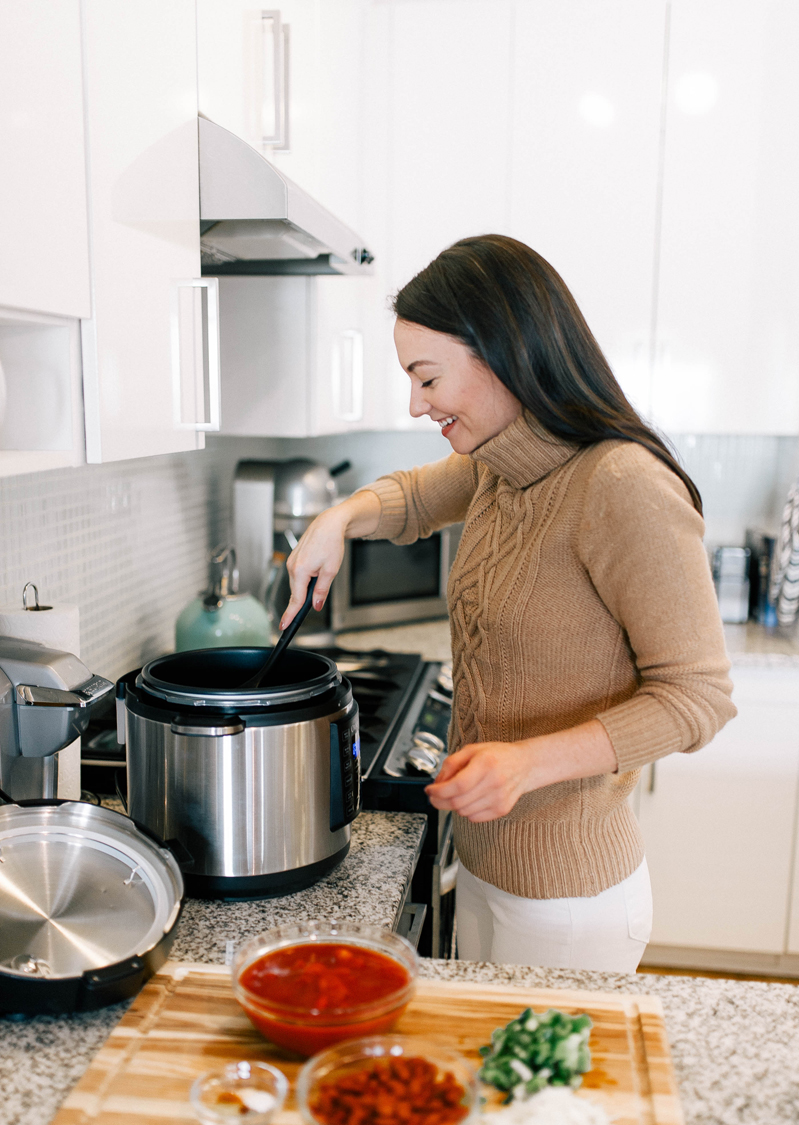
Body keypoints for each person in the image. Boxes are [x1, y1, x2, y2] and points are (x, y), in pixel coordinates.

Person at [281, 234, 735, 972]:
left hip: (569, 903)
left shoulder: (618, 485)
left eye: (427, 379)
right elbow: (407, 498)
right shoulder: (498, 462)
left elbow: (697, 698)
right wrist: (335, 520)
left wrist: (526, 764)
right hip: (486, 868)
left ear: (501, 353)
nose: (414, 403)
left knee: (531, 1091)